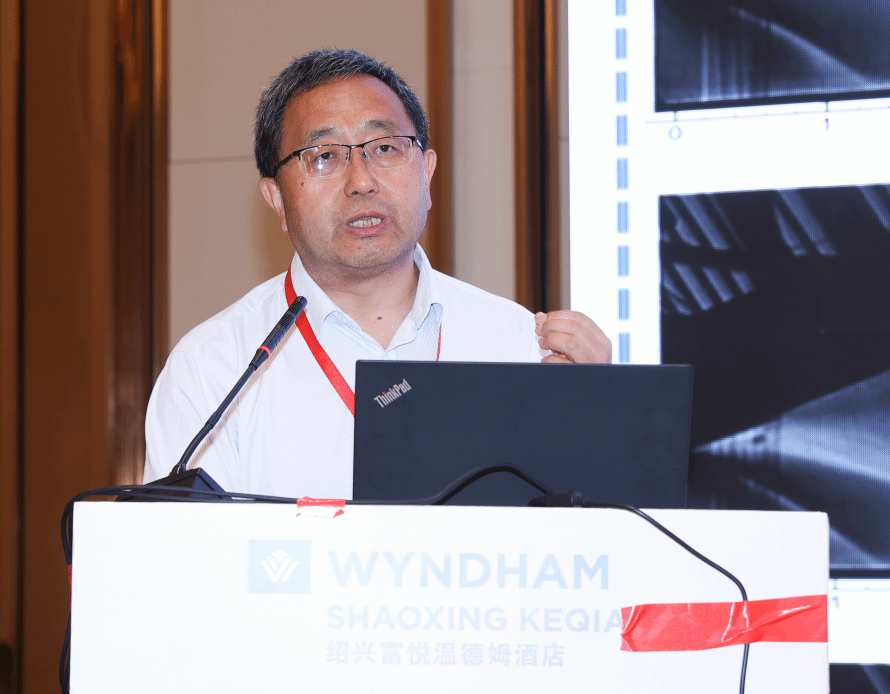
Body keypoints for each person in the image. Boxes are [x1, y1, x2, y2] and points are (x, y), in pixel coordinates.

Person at [143, 48, 610, 497]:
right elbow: (183, 549)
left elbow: (588, 538)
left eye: (384, 147)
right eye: (325, 156)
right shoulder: (212, 371)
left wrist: (606, 418)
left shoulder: (523, 347)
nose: (362, 181)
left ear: (426, 174)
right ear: (277, 199)